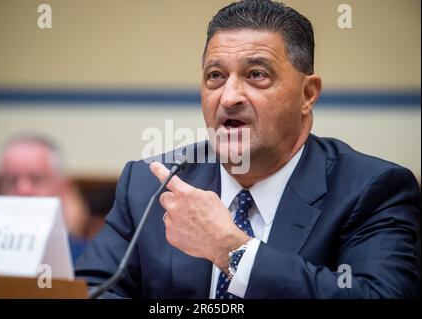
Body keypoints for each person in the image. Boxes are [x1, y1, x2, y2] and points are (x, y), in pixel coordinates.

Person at [75, 0, 420, 298]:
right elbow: (93, 288)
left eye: (256, 74)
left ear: (308, 94)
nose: (228, 97)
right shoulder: (151, 184)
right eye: (215, 76)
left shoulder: (372, 189)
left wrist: (232, 250)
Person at [0, 134, 91, 263]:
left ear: (63, 189)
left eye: (36, 179)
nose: (23, 190)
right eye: (11, 180)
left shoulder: (91, 261)